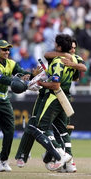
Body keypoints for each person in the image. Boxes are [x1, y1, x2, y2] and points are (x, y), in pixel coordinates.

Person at [15, 34, 83, 171]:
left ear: (58, 46)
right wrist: (39, 77)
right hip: (60, 97)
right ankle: (69, 163)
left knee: (39, 125)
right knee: (62, 130)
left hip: (54, 96)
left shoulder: (59, 61)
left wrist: (41, 82)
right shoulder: (67, 58)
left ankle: (59, 154)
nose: (73, 50)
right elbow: (76, 72)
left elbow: (55, 84)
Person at [0, 39, 39, 172]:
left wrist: (32, 75)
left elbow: (22, 73)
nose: (7, 52)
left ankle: (3, 160)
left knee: (10, 130)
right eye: (3, 49)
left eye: (8, 49)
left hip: (4, 100)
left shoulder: (11, 63)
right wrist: (15, 80)